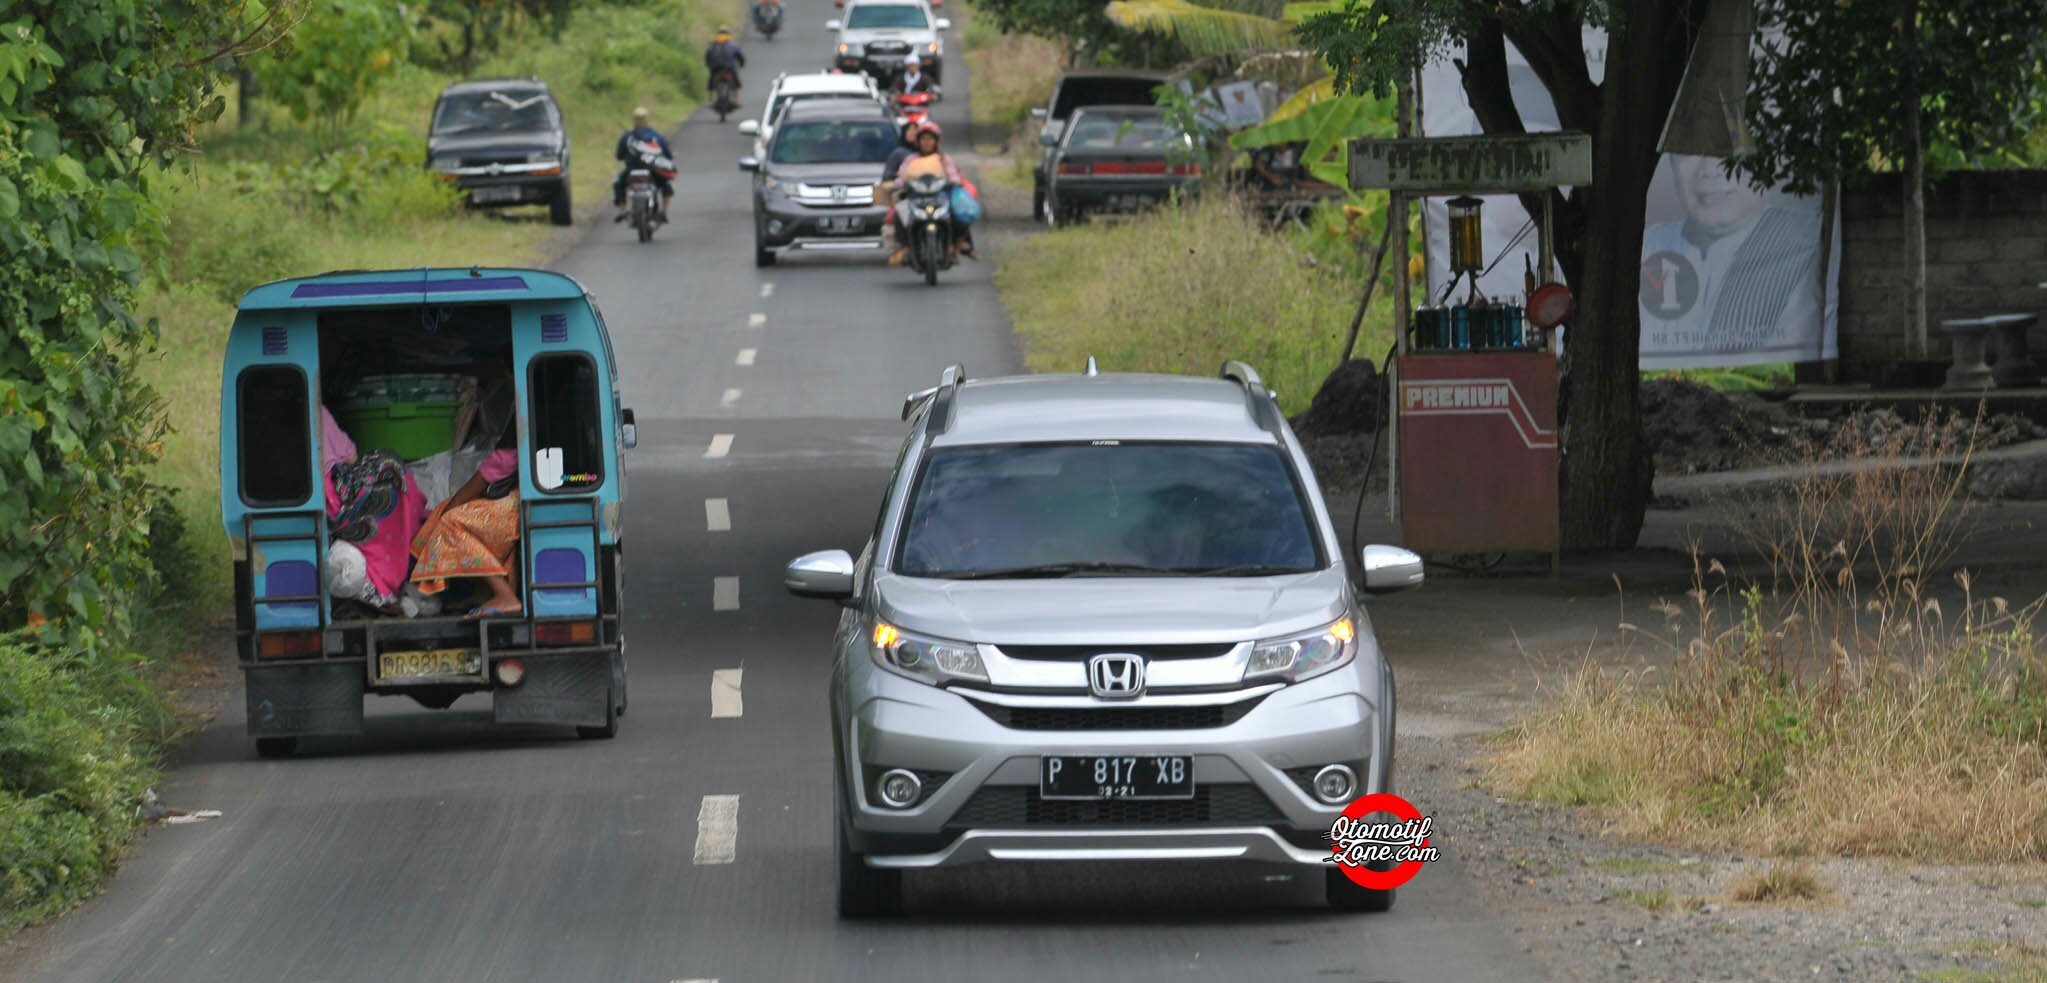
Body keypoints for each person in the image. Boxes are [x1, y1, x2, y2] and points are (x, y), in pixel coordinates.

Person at [1638, 153, 1822, 357]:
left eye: (1727, 153)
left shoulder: (1804, 241)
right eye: (1690, 153)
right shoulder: (1646, 246)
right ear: (1671, 164)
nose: (1708, 171)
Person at [320, 406, 427, 614]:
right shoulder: (316, 410)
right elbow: (351, 456)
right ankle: (390, 581)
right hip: (337, 497)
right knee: (393, 468)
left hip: (329, 498)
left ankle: (383, 585)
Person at [410, 427, 523, 619]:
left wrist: (445, 515)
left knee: (450, 522)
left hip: (516, 510)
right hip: (522, 507)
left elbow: (471, 490)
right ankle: (482, 593)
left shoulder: (510, 452)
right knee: (446, 511)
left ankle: (505, 595)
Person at [889, 120, 976, 264]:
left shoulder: (944, 159)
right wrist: (899, 183)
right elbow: (902, 175)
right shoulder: (911, 159)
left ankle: (959, 243)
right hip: (915, 197)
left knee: (959, 213)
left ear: (936, 141)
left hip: (940, 196)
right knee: (899, 214)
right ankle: (905, 247)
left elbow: (952, 174)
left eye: (930, 139)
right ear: (918, 141)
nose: (927, 142)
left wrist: (954, 182)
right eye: (923, 139)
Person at [613, 107, 674, 224]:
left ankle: (623, 211)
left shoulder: (627, 137)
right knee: (667, 183)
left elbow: (619, 156)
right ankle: (664, 212)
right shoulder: (656, 136)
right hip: (654, 171)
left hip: (631, 171)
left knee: (617, 184)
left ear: (633, 120)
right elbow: (668, 155)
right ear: (647, 119)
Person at [704, 26, 746, 95]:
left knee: (711, 80)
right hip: (729, 67)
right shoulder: (733, 44)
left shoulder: (713, 44)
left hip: (716, 67)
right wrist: (742, 64)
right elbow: (740, 56)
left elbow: (708, 56)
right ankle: (736, 98)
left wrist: (709, 65)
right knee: (736, 82)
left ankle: (710, 96)